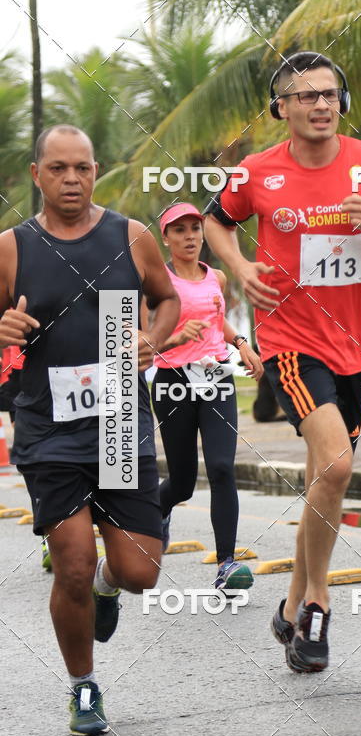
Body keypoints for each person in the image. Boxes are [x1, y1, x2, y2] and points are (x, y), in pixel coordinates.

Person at [204, 51, 361, 672]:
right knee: (336, 463)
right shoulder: (256, 172)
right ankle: (319, 604)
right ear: (282, 108)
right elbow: (218, 224)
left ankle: (292, 600)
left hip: (355, 348)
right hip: (290, 344)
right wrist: (241, 267)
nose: (320, 104)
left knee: (326, 477)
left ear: (341, 103)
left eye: (329, 94)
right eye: (305, 96)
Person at [0, 124, 180, 735]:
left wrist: (151, 339)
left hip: (120, 424)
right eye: (58, 169)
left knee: (138, 574)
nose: (71, 179)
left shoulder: (129, 237)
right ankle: (83, 685)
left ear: (95, 171)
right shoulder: (11, 248)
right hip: (47, 426)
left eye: (82, 168)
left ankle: (110, 586)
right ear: (37, 175)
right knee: (71, 562)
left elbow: (166, 298)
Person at [148, 202, 262, 590]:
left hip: (215, 379)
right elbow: (139, 338)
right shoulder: (156, 284)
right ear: (166, 238)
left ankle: (227, 565)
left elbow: (218, 321)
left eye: (195, 228)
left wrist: (241, 342)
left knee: (221, 467)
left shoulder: (216, 276)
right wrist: (175, 338)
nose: (190, 237)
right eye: (179, 231)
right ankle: (157, 514)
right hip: (171, 382)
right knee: (181, 481)